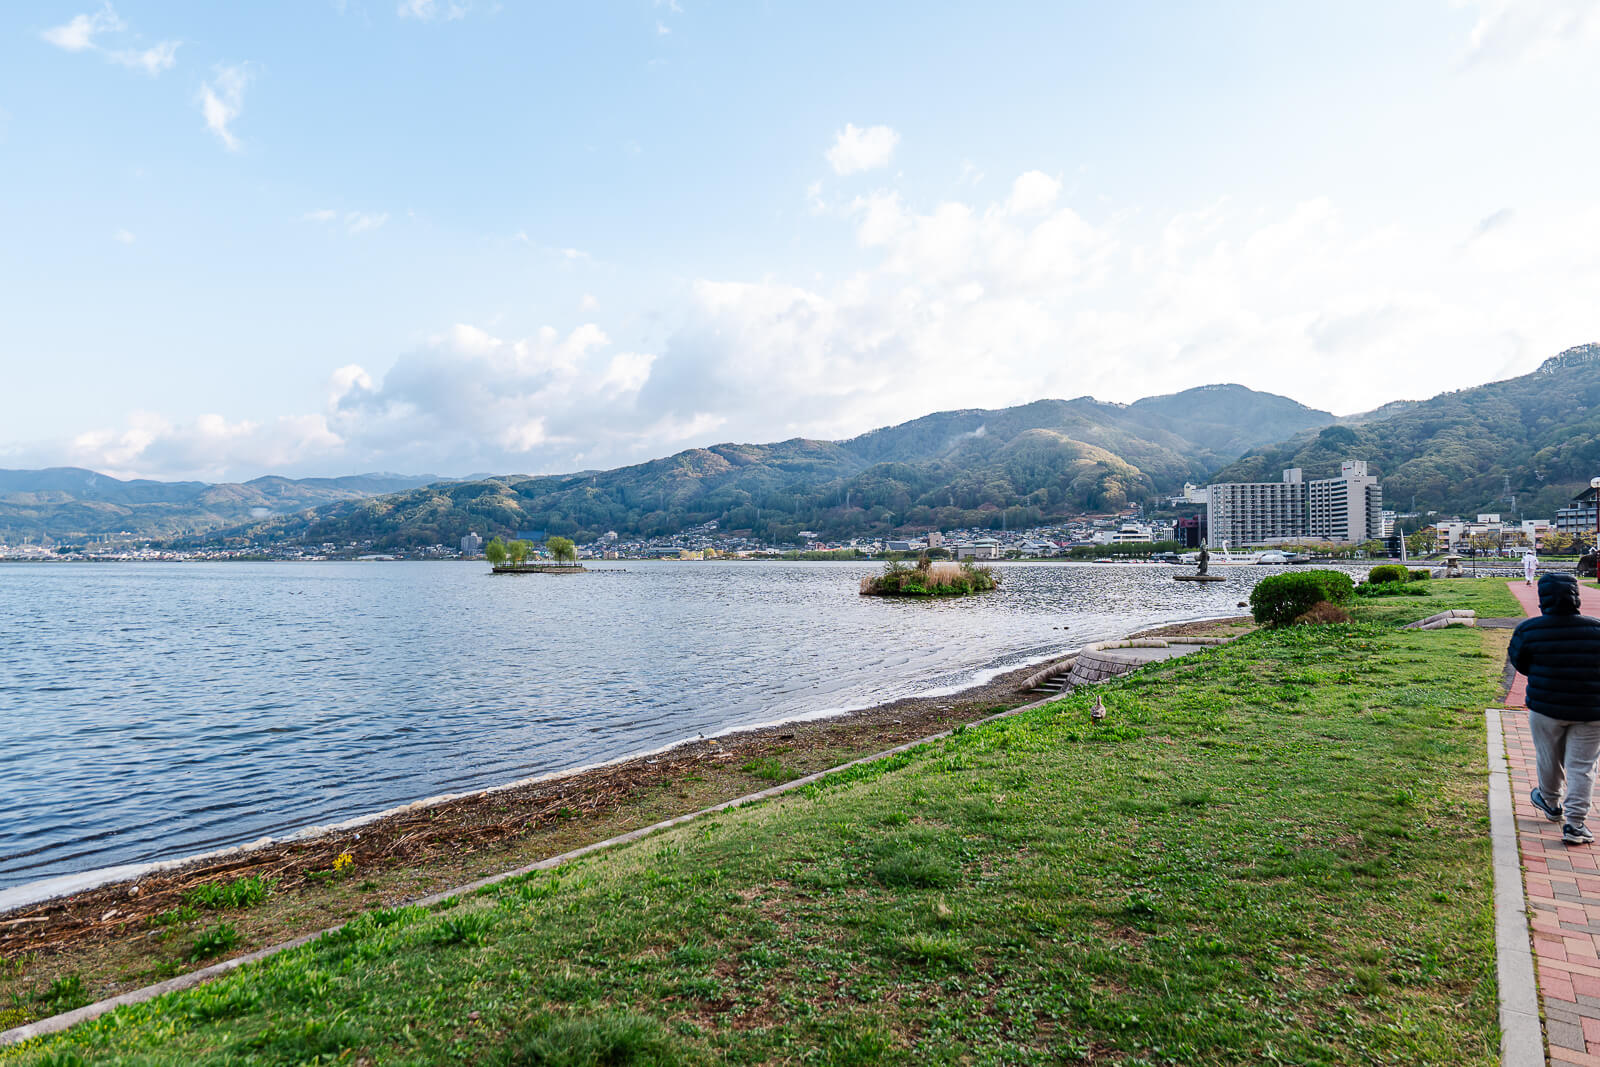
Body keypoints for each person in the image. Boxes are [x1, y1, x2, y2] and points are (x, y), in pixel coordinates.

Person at [1508, 572, 1600, 845]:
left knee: (1548, 757)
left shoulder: (1529, 630)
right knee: (1582, 767)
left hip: (1545, 708)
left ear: (1542, 597)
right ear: (1576, 596)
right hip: (1592, 711)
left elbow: (1520, 663)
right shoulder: (1597, 629)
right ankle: (1575, 824)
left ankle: (1550, 801)